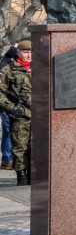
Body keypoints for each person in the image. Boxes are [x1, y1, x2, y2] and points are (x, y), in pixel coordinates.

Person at [0, 40, 31, 185]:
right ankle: (21, 176)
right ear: (18, 53)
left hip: (40, 115)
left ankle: (33, 175)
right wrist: (11, 107)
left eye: (31, 52)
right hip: (20, 116)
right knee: (20, 147)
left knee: (36, 148)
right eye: (26, 52)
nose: (29, 55)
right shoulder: (9, 70)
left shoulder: (41, 68)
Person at [0, 46, 16, 170]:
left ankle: (6, 159)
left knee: (7, 131)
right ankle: (8, 159)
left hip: (5, 103)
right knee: (9, 131)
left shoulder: (4, 64)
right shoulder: (7, 67)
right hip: (7, 103)